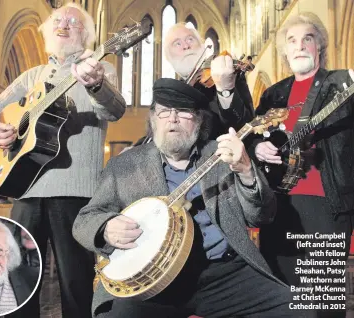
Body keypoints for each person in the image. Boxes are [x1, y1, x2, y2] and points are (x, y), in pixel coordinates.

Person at [72, 78, 297, 318]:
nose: (173, 118)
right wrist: (105, 228)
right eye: (164, 111)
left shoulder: (223, 155)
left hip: (223, 272)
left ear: (198, 121)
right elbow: (84, 220)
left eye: (183, 112)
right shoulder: (125, 165)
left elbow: (261, 216)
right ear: (152, 119)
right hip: (154, 281)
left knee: (295, 309)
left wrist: (245, 170)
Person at [0, 2, 126, 318]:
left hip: (74, 191)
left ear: (86, 34)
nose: (63, 24)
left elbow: (114, 110)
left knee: (75, 283)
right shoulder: (32, 76)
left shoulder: (99, 66)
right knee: (17, 279)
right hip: (26, 190)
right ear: (47, 30)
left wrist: (96, 84)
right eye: (57, 19)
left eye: (73, 21)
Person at [250, 12, 354, 317]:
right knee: (283, 295)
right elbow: (252, 135)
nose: (299, 46)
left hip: (327, 203)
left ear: (319, 46)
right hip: (280, 205)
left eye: (307, 38)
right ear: (284, 52)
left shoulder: (342, 83)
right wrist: (258, 147)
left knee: (322, 300)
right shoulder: (273, 94)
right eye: (292, 41)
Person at [133, 23, 254, 147]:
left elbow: (246, 127)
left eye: (190, 39)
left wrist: (226, 89)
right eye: (177, 43)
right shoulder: (172, 92)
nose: (186, 46)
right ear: (169, 57)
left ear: (202, 45)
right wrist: (134, 149)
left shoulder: (227, 75)